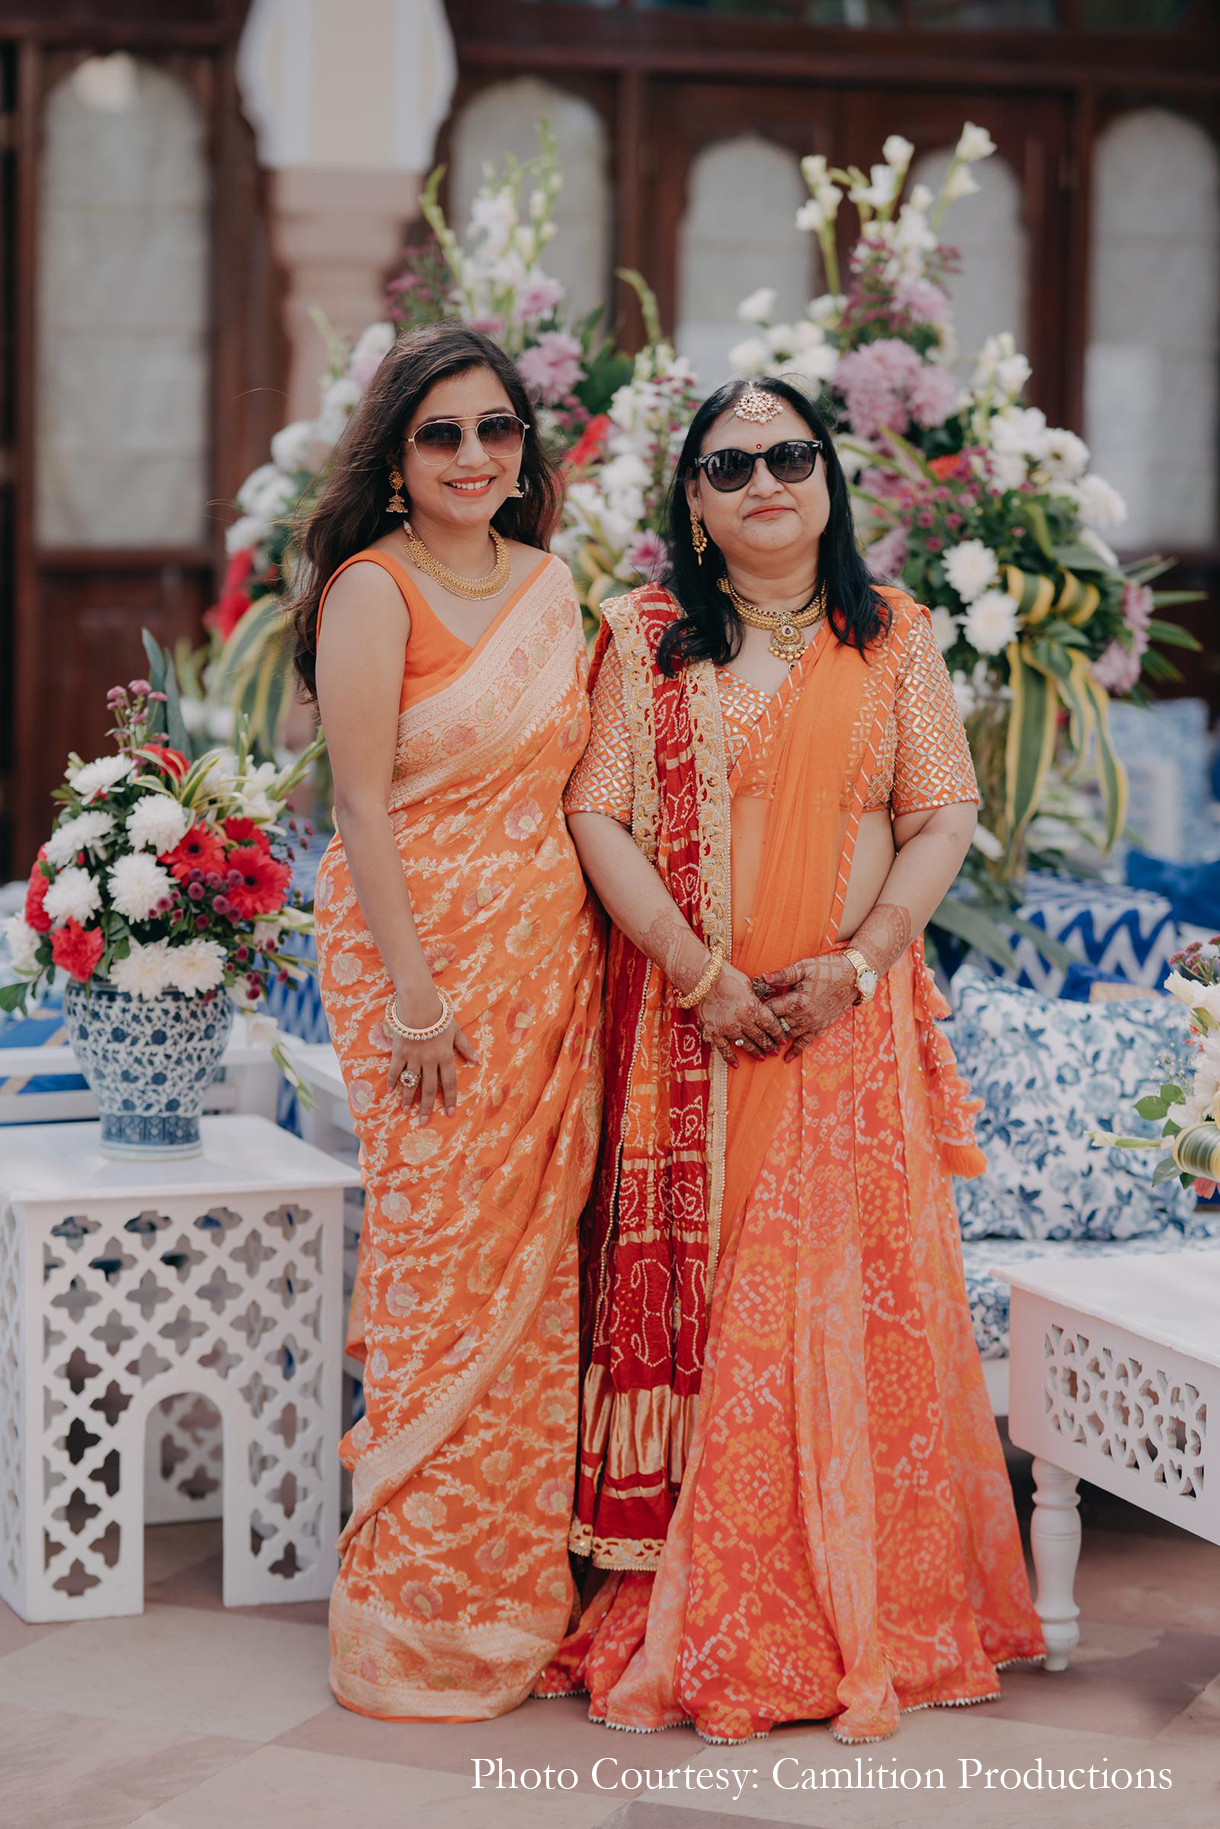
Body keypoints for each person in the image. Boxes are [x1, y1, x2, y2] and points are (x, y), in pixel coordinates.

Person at [540, 376, 1044, 1746]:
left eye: (790, 455)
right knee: (714, 1304)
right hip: (695, 1030)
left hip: (843, 1026)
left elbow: (941, 812)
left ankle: (841, 1600)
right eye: (729, 463)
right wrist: (701, 977)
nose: (765, 479)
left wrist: (864, 957)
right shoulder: (645, 641)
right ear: (693, 510)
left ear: (830, 480)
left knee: (818, 1306)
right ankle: (703, 1594)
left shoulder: (895, 641)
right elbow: (597, 817)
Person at [290, 322, 603, 1721]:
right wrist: (416, 996)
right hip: (416, 973)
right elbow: (359, 807)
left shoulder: (550, 587)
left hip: (547, 963)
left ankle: (511, 1606)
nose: (475, 456)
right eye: (442, 434)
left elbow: (578, 793)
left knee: (536, 1288)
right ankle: (415, 1617)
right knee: (440, 1266)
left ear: (522, 447)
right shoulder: (373, 588)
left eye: (495, 429)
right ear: (398, 460)